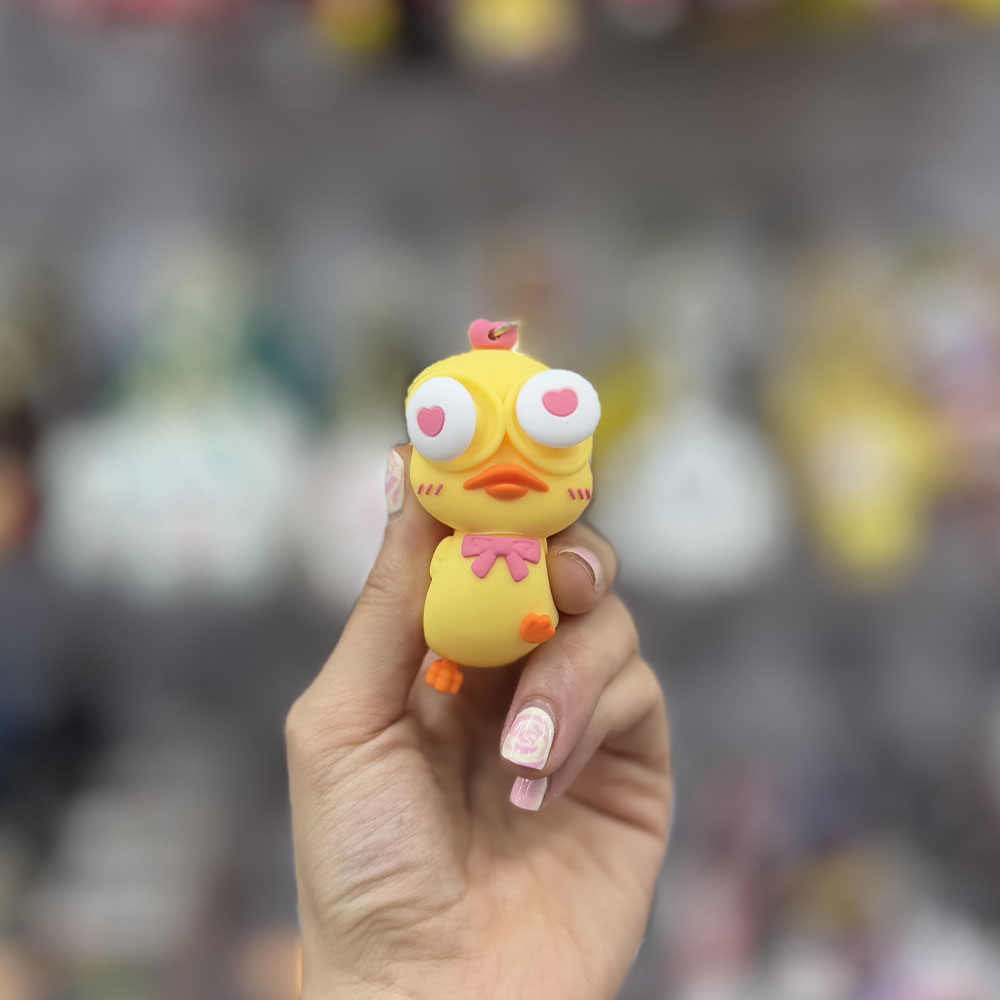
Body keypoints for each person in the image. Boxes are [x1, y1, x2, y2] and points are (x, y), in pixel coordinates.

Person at [285, 447, 673, 999]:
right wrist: (393, 975)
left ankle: (521, 631)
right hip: (454, 637)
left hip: (522, 624)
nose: (503, 464)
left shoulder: (534, 549)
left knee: (559, 601)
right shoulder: (446, 545)